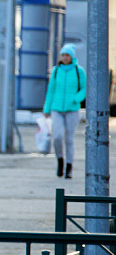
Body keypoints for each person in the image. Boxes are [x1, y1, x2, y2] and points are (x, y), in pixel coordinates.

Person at [43, 43, 86, 179]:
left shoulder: (79, 71)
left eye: (67, 55)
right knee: (57, 136)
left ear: (71, 57)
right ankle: (60, 160)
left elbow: (84, 88)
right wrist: (47, 108)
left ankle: (69, 166)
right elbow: (51, 90)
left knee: (69, 139)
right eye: (63, 55)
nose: (65, 57)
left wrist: (76, 98)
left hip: (72, 109)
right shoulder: (56, 71)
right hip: (57, 108)